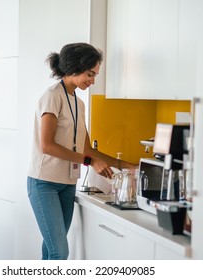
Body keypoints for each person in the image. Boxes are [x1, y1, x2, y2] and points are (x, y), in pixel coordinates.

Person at [27, 43, 136, 260]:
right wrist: (89, 161)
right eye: (90, 74)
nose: (93, 80)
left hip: (67, 184)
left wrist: (126, 165)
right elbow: (47, 145)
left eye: (95, 75)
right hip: (44, 183)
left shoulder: (79, 103)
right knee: (60, 252)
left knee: (51, 250)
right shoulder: (52, 96)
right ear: (74, 68)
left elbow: (86, 149)